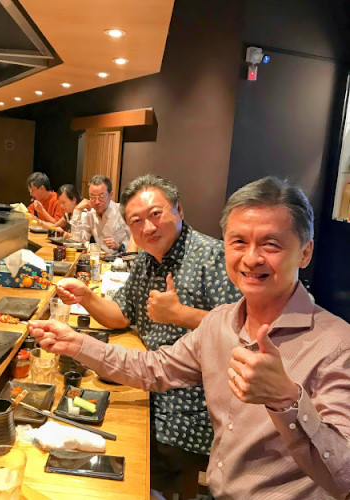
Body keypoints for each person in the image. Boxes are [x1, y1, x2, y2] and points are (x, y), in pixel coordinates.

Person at [30, 176, 350, 500]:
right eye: (239, 242)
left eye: (271, 244)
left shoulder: (338, 345)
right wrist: (76, 344)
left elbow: (344, 478)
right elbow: (154, 367)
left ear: (305, 252)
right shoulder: (221, 322)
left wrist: (286, 400)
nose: (252, 258)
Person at [58, 174, 241, 499]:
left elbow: (241, 334)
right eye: (136, 221)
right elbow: (121, 314)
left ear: (179, 210)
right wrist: (86, 296)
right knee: (82, 424)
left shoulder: (213, 257)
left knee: (118, 451)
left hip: (191, 404)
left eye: (156, 214)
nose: (148, 227)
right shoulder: (146, 259)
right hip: (147, 380)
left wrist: (181, 314)